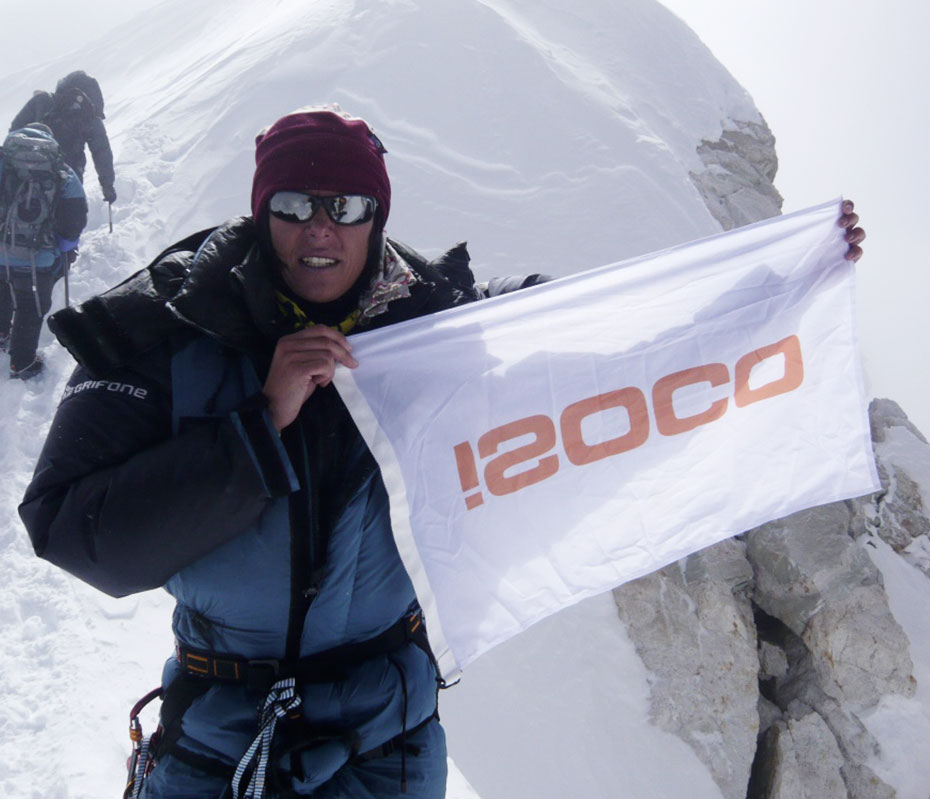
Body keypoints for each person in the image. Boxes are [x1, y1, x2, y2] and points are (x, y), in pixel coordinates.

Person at [18, 104, 865, 798]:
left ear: (378, 215)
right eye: (294, 204)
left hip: (384, 748)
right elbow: (70, 529)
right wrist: (256, 427)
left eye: (346, 206)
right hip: (217, 745)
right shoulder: (167, 331)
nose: (321, 227)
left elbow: (613, 350)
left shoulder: (443, 329)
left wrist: (773, 285)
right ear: (259, 209)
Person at [0, 123, 87, 379]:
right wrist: (66, 248)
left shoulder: (5, 164)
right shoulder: (62, 171)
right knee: (31, 306)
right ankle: (22, 363)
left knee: (2, 288)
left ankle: (1, 332)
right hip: (39, 257)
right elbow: (75, 218)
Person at [10, 70, 116, 204]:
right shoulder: (89, 115)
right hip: (68, 178)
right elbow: (101, 151)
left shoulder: (42, 101)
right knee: (69, 218)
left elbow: (14, 132)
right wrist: (107, 185)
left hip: (26, 174)